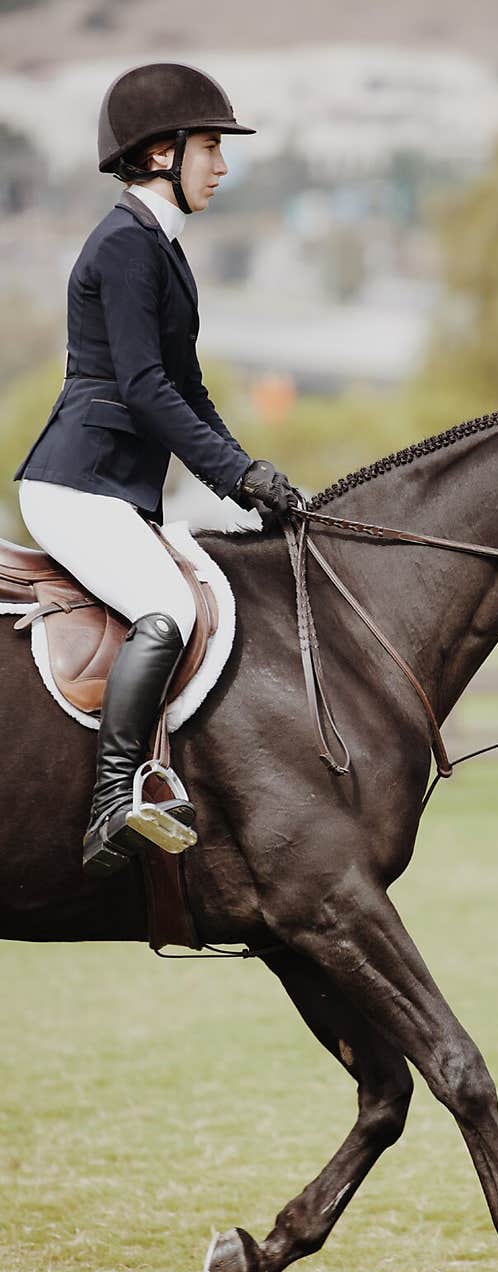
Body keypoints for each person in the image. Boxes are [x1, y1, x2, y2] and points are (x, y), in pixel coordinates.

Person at [14, 62, 298, 878]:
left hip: (114, 486)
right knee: (168, 606)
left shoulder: (161, 251)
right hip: (76, 483)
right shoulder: (128, 246)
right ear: (159, 153)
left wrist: (251, 475)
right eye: (210, 147)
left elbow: (189, 392)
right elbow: (142, 391)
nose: (222, 165)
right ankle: (114, 799)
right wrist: (238, 479)